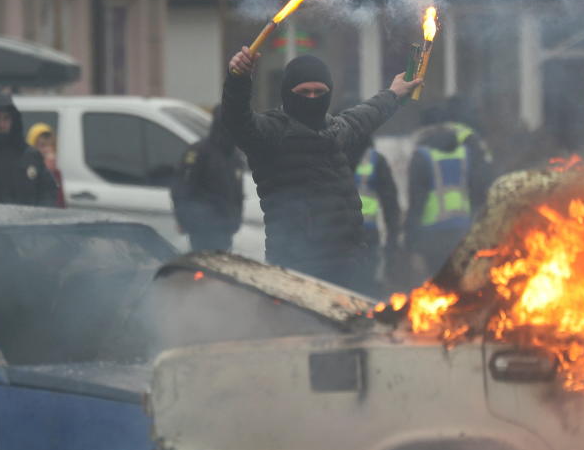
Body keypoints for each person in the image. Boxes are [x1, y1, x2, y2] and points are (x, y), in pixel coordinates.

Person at [223, 48, 421, 287]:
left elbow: (368, 114)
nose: (312, 98)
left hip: (350, 268)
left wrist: (394, 93)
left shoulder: (335, 130)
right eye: (304, 92)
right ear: (287, 93)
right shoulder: (271, 133)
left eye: (320, 92)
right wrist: (238, 78)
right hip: (297, 272)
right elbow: (237, 120)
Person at [404, 106, 492, 279]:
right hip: (462, 231)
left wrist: (411, 246)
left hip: (431, 238)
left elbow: (416, 204)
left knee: (437, 291)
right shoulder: (465, 153)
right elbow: (479, 192)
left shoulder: (421, 157)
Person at [170, 106, 244, 252]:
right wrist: (184, 220)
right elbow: (181, 189)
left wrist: (235, 221)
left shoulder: (234, 157)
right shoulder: (199, 153)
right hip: (202, 230)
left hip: (226, 231)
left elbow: (237, 195)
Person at [0, 100, 59, 207]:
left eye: (6, 118)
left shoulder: (30, 155)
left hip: (26, 220)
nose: (1, 125)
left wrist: (39, 214)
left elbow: (48, 190)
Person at [352, 143, 401, 296]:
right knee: (366, 285)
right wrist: (392, 242)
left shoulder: (328, 153)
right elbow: (390, 203)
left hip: (335, 233)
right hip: (367, 231)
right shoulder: (374, 159)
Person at [26, 122, 65, 206]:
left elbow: (60, 202)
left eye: (51, 145)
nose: (48, 149)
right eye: (42, 145)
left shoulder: (56, 172)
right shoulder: (27, 170)